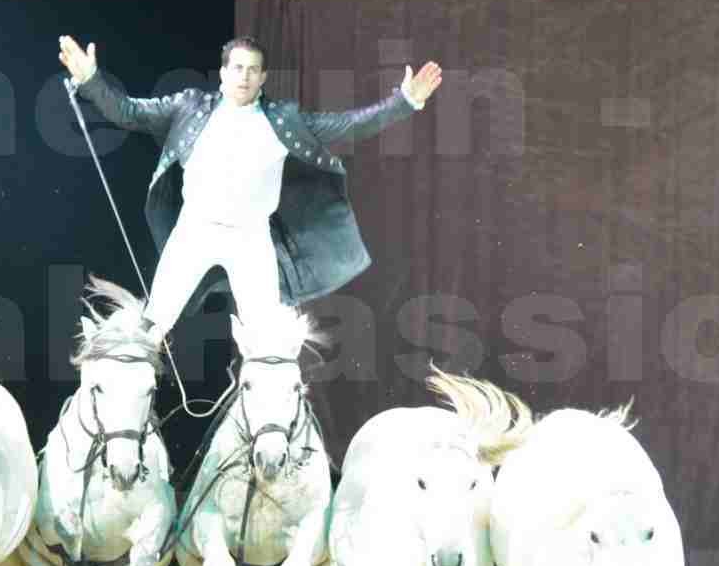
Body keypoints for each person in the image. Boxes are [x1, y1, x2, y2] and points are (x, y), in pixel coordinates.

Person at [58, 34, 442, 341]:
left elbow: (349, 126)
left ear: (263, 78)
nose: (243, 76)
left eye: (252, 70)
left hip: (251, 240)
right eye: (237, 68)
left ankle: (268, 435)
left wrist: (404, 102)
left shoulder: (283, 121)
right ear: (223, 73)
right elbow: (128, 111)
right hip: (194, 233)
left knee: (265, 341)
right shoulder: (188, 107)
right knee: (151, 326)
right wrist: (92, 81)